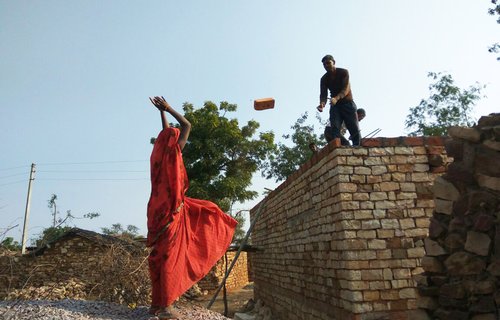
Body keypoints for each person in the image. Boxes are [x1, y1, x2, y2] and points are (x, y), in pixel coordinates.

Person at [147, 96, 238, 320]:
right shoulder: (174, 153)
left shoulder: (158, 160)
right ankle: (166, 307)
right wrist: (168, 108)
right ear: (175, 144)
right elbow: (187, 125)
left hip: (157, 217)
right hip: (173, 214)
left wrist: (162, 114)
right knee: (171, 258)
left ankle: (157, 305)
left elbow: (166, 133)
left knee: (159, 257)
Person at [317, 55, 361, 146]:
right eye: (324, 65)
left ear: (334, 62)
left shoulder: (343, 72)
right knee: (334, 128)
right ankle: (339, 148)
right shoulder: (324, 79)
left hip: (347, 103)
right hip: (335, 106)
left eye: (328, 63)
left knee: (353, 128)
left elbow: (345, 89)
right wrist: (322, 104)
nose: (326, 66)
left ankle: (358, 148)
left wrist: (336, 98)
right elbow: (323, 94)